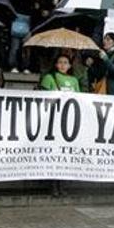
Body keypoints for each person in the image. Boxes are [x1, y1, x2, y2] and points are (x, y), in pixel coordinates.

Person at [38, 53, 80, 197]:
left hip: (68, 121)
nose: (63, 65)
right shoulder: (49, 78)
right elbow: (41, 97)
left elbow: (79, 99)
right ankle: (53, 185)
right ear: (56, 65)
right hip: (52, 120)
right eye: (60, 62)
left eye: (66, 62)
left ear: (69, 65)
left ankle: (62, 185)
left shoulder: (74, 80)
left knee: (64, 153)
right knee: (53, 152)